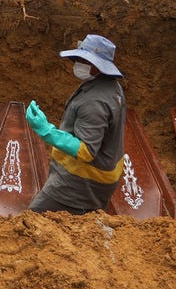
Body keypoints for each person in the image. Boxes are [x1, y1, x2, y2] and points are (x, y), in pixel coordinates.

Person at [26, 34, 126, 215]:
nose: (79, 63)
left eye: (85, 60)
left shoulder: (94, 102)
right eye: (79, 59)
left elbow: (86, 151)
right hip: (99, 177)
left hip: (79, 183)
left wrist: (46, 130)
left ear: (99, 66)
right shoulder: (110, 86)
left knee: (33, 219)